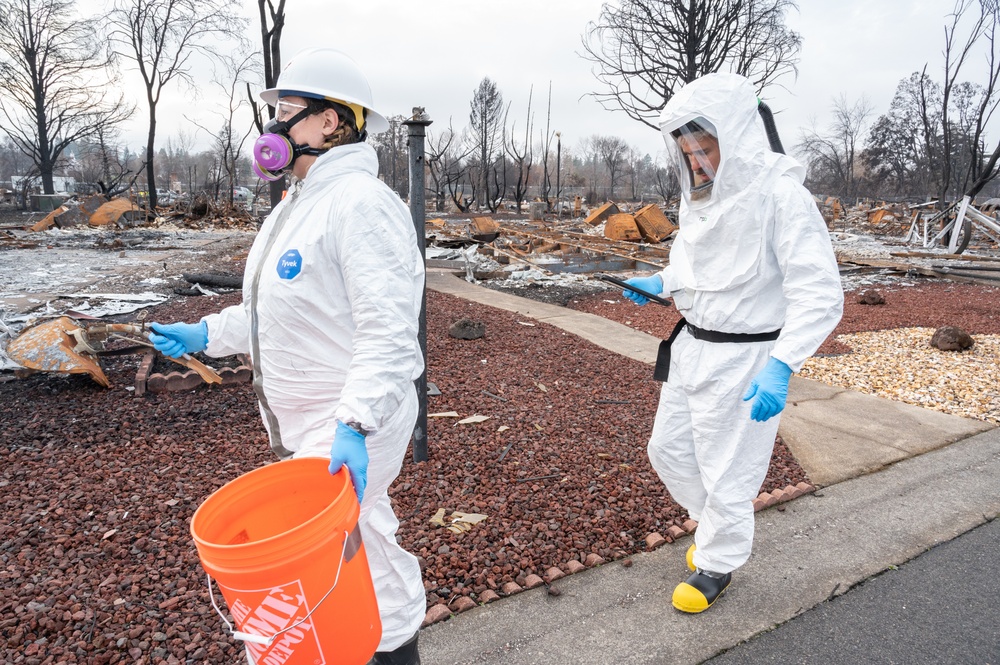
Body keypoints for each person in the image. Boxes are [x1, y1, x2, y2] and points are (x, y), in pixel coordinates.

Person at [149, 47, 425, 663]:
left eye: (287, 113)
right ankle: (361, 643)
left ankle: (381, 648)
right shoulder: (300, 204)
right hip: (314, 420)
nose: (271, 129)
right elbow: (280, 312)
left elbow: (389, 332)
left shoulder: (361, 203)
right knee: (358, 545)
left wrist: (355, 423)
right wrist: (206, 334)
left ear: (330, 122)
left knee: (348, 546)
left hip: (350, 417)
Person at [621, 72, 843, 614]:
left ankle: (718, 562)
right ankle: (720, 524)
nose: (696, 161)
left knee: (728, 468)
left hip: (748, 358)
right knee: (668, 451)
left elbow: (819, 294)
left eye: (704, 147)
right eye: (687, 151)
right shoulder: (704, 197)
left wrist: (783, 365)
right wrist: (663, 283)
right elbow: (695, 262)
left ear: (739, 134)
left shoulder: (783, 196)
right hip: (694, 347)